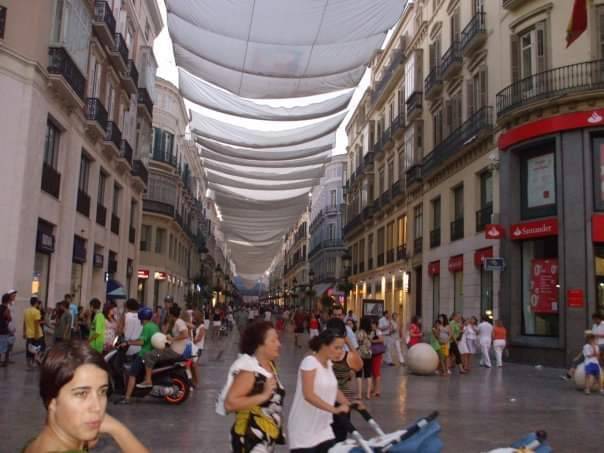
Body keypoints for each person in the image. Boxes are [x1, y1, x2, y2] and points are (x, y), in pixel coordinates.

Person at [24, 340, 149, 453]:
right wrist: (119, 430)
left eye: (102, 391)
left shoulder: (43, 442)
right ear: (52, 400)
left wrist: (114, 428)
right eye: (82, 393)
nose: (97, 407)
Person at [223, 321, 285, 452]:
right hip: (249, 438)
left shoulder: (270, 365)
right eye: (273, 341)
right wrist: (264, 395)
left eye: (277, 340)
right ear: (259, 345)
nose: (279, 344)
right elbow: (230, 404)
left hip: (266, 437)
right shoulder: (249, 370)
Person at [288, 329, 351, 452]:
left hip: (323, 428)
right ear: (324, 346)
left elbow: (333, 389)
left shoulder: (328, 364)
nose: (340, 352)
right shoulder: (310, 362)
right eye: (336, 348)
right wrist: (334, 409)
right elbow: (308, 394)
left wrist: (348, 403)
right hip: (304, 429)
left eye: (342, 348)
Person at [137, 305, 189, 388]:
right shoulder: (176, 322)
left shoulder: (179, 322)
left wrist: (172, 338)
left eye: (168, 314)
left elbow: (185, 334)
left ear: (171, 314)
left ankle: (148, 380)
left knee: (149, 355)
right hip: (173, 349)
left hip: (174, 352)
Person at [116, 307, 159, 404]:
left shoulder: (146, 327)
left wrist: (128, 343)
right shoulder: (154, 326)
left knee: (132, 373)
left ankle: (127, 398)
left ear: (142, 318)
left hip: (144, 354)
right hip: (152, 352)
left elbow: (141, 342)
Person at [24, 296, 45, 369]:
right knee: (37, 349)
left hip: (29, 333)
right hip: (36, 334)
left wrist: (24, 332)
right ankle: (36, 362)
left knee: (29, 349)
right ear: (36, 303)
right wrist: (36, 334)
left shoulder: (26, 310)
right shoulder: (36, 311)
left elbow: (24, 322)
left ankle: (29, 365)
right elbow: (37, 324)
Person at [355, 316, 373, 400]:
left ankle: (359, 394)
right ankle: (368, 394)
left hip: (360, 354)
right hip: (369, 354)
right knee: (368, 374)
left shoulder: (360, 332)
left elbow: (358, 342)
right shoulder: (371, 332)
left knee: (359, 374)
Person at [370, 319, 385, 396]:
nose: (371, 325)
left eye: (372, 324)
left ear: (375, 324)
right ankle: (373, 388)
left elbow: (382, 339)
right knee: (373, 372)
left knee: (376, 372)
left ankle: (377, 390)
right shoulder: (372, 332)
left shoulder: (377, 331)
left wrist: (372, 341)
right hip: (373, 353)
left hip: (377, 353)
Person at [0, 293, 13, 367]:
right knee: (5, 347)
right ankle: (4, 362)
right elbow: (9, 318)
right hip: (4, 330)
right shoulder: (6, 309)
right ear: (8, 300)